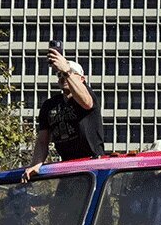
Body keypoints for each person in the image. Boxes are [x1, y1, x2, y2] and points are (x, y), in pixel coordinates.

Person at [23, 54, 104, 182]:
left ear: (82, 79)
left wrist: (66, 71)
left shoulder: (88, 94)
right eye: (59, 75)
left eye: (70, 73)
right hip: (67, 167)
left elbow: (86, 102)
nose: (63, 77)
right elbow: (43, 141)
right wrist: (36, 164)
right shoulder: (49, 105)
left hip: (92, 165)